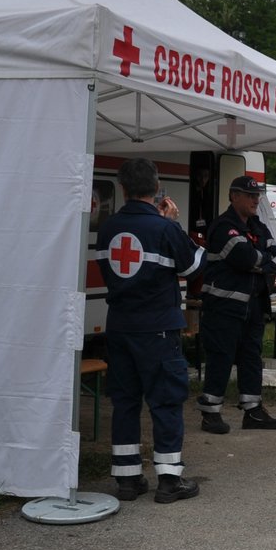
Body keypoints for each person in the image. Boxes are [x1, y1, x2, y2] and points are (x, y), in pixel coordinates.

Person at [94, 158, 205, 503]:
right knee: (165, 401)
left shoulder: (108, 227)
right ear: (157, 188)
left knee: (125, 401)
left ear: (123, 188)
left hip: (120, 326)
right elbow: (194, 266)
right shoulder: (164, 228)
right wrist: (171, 223)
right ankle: (170, 480)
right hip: (157, 329)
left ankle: (127, 480)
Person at [197, 175, 276, 434]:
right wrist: (265, 264)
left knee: (251, 358)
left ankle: (253, 411)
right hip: (224, 307)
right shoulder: (223, 226)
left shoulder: (257, 226)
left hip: (253, 306)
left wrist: (265, 263)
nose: (255, 200)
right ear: (233, 196)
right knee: (221, 358)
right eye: (250, 195)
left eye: (257, 195)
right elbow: (245, 258)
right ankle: (210, 413)